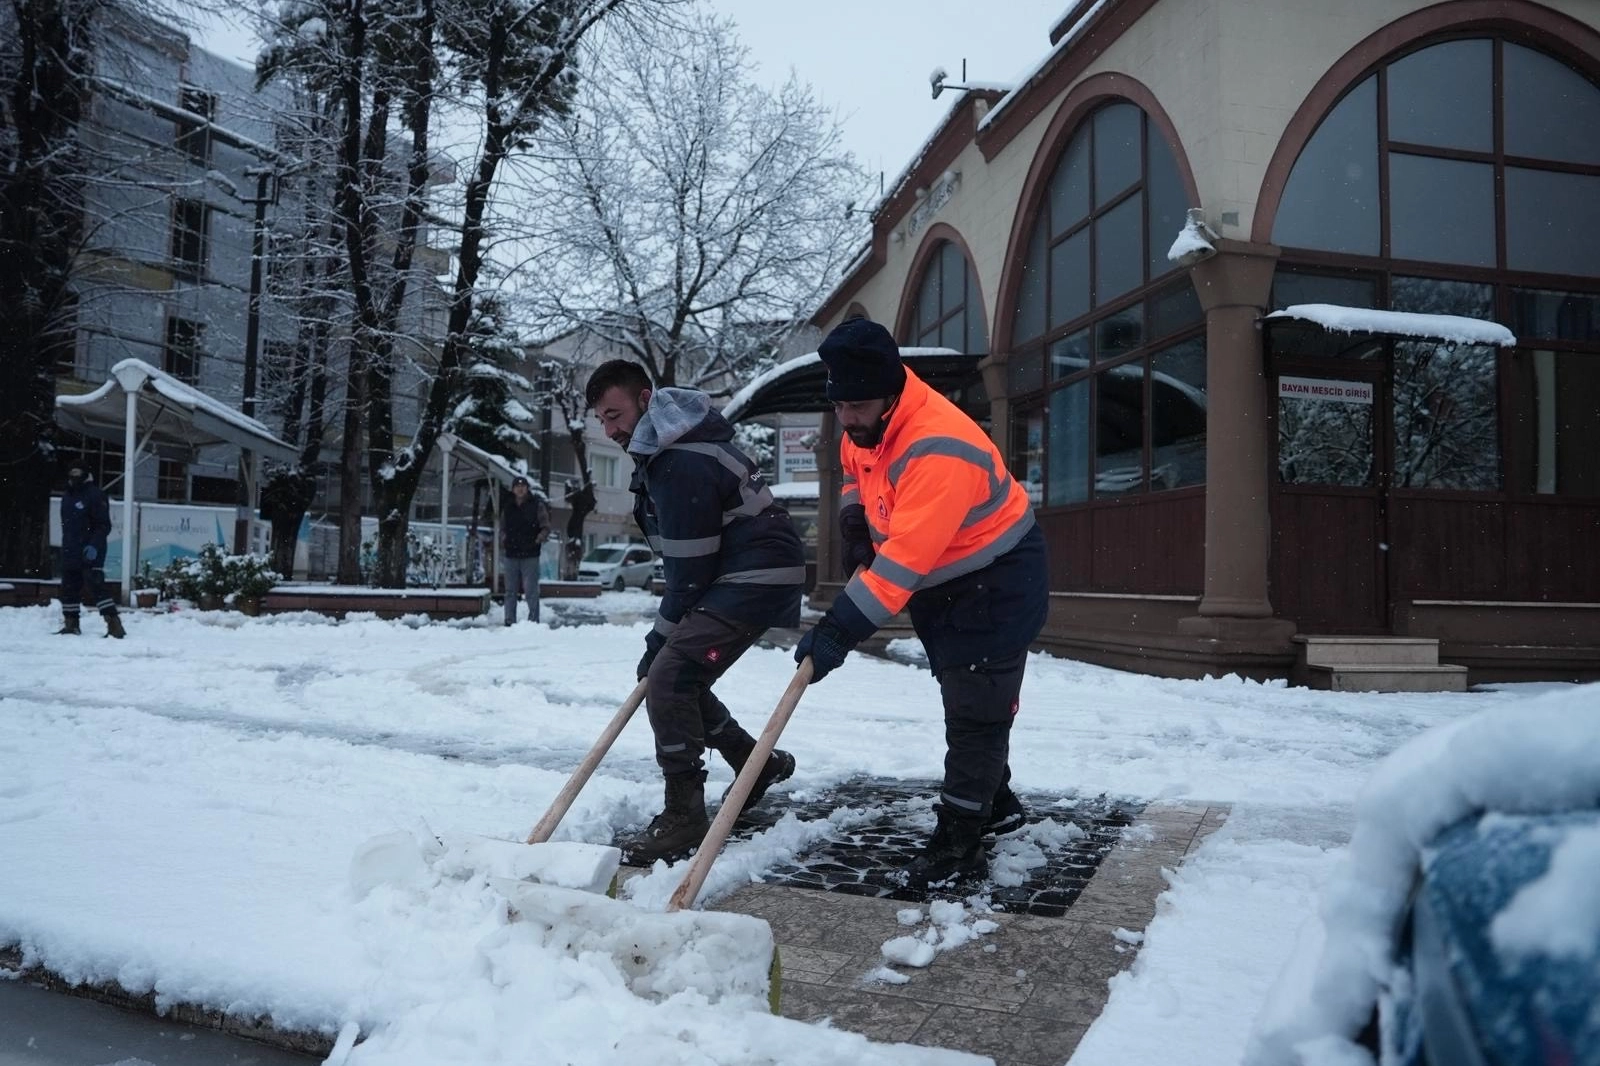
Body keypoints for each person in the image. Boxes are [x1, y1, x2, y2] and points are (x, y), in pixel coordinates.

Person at [795, 317, 1048, 888]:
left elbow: (901, 568)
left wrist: (837, 632)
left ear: (891, 394)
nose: (848, 418)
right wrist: (854, 524)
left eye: (858, 406)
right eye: (839, 406)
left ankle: (959, 839)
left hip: (998, 580)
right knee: (966, 695)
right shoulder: (863, 423)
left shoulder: (939, 445)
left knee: (975, 707)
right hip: (947, 581)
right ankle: (998, 803)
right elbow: (855, 476)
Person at [585, 359, 806, 864]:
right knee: (675, 677)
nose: (610, 429)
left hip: (752, 577)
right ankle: (756, 763)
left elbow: (688, 575)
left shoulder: (679, 458)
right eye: (601, 420)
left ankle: (684, 815)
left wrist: (658, 640)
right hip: (742, 573)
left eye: (615, 414)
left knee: (668, 677)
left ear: (646, 401)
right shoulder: (674, 446)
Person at [57, 466, 125, 639]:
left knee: (96, 586)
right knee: (69, 588)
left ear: (86, 475)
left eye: (77, 474)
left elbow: (103, 525)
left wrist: (94, 545)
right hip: (70, 549)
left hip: (90, 550)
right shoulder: (67, 496)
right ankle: (71, 624)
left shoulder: (95, 495)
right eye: (71, 474)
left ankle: (113, 623)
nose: (74, 478)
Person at [501, 475, 550, 625]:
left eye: (523, 486)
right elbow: (502, 527)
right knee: (510, 591)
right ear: (513, 489)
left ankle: (533, 621)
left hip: (530, 554)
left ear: (527, 488)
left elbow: (546, 527)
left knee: (531, 591)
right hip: (511, 554)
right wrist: (504, 539)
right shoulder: (508, 506)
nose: (520, 489)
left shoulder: (536, 505)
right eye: (517, 486)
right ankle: (509, 620)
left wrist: (538, 539)